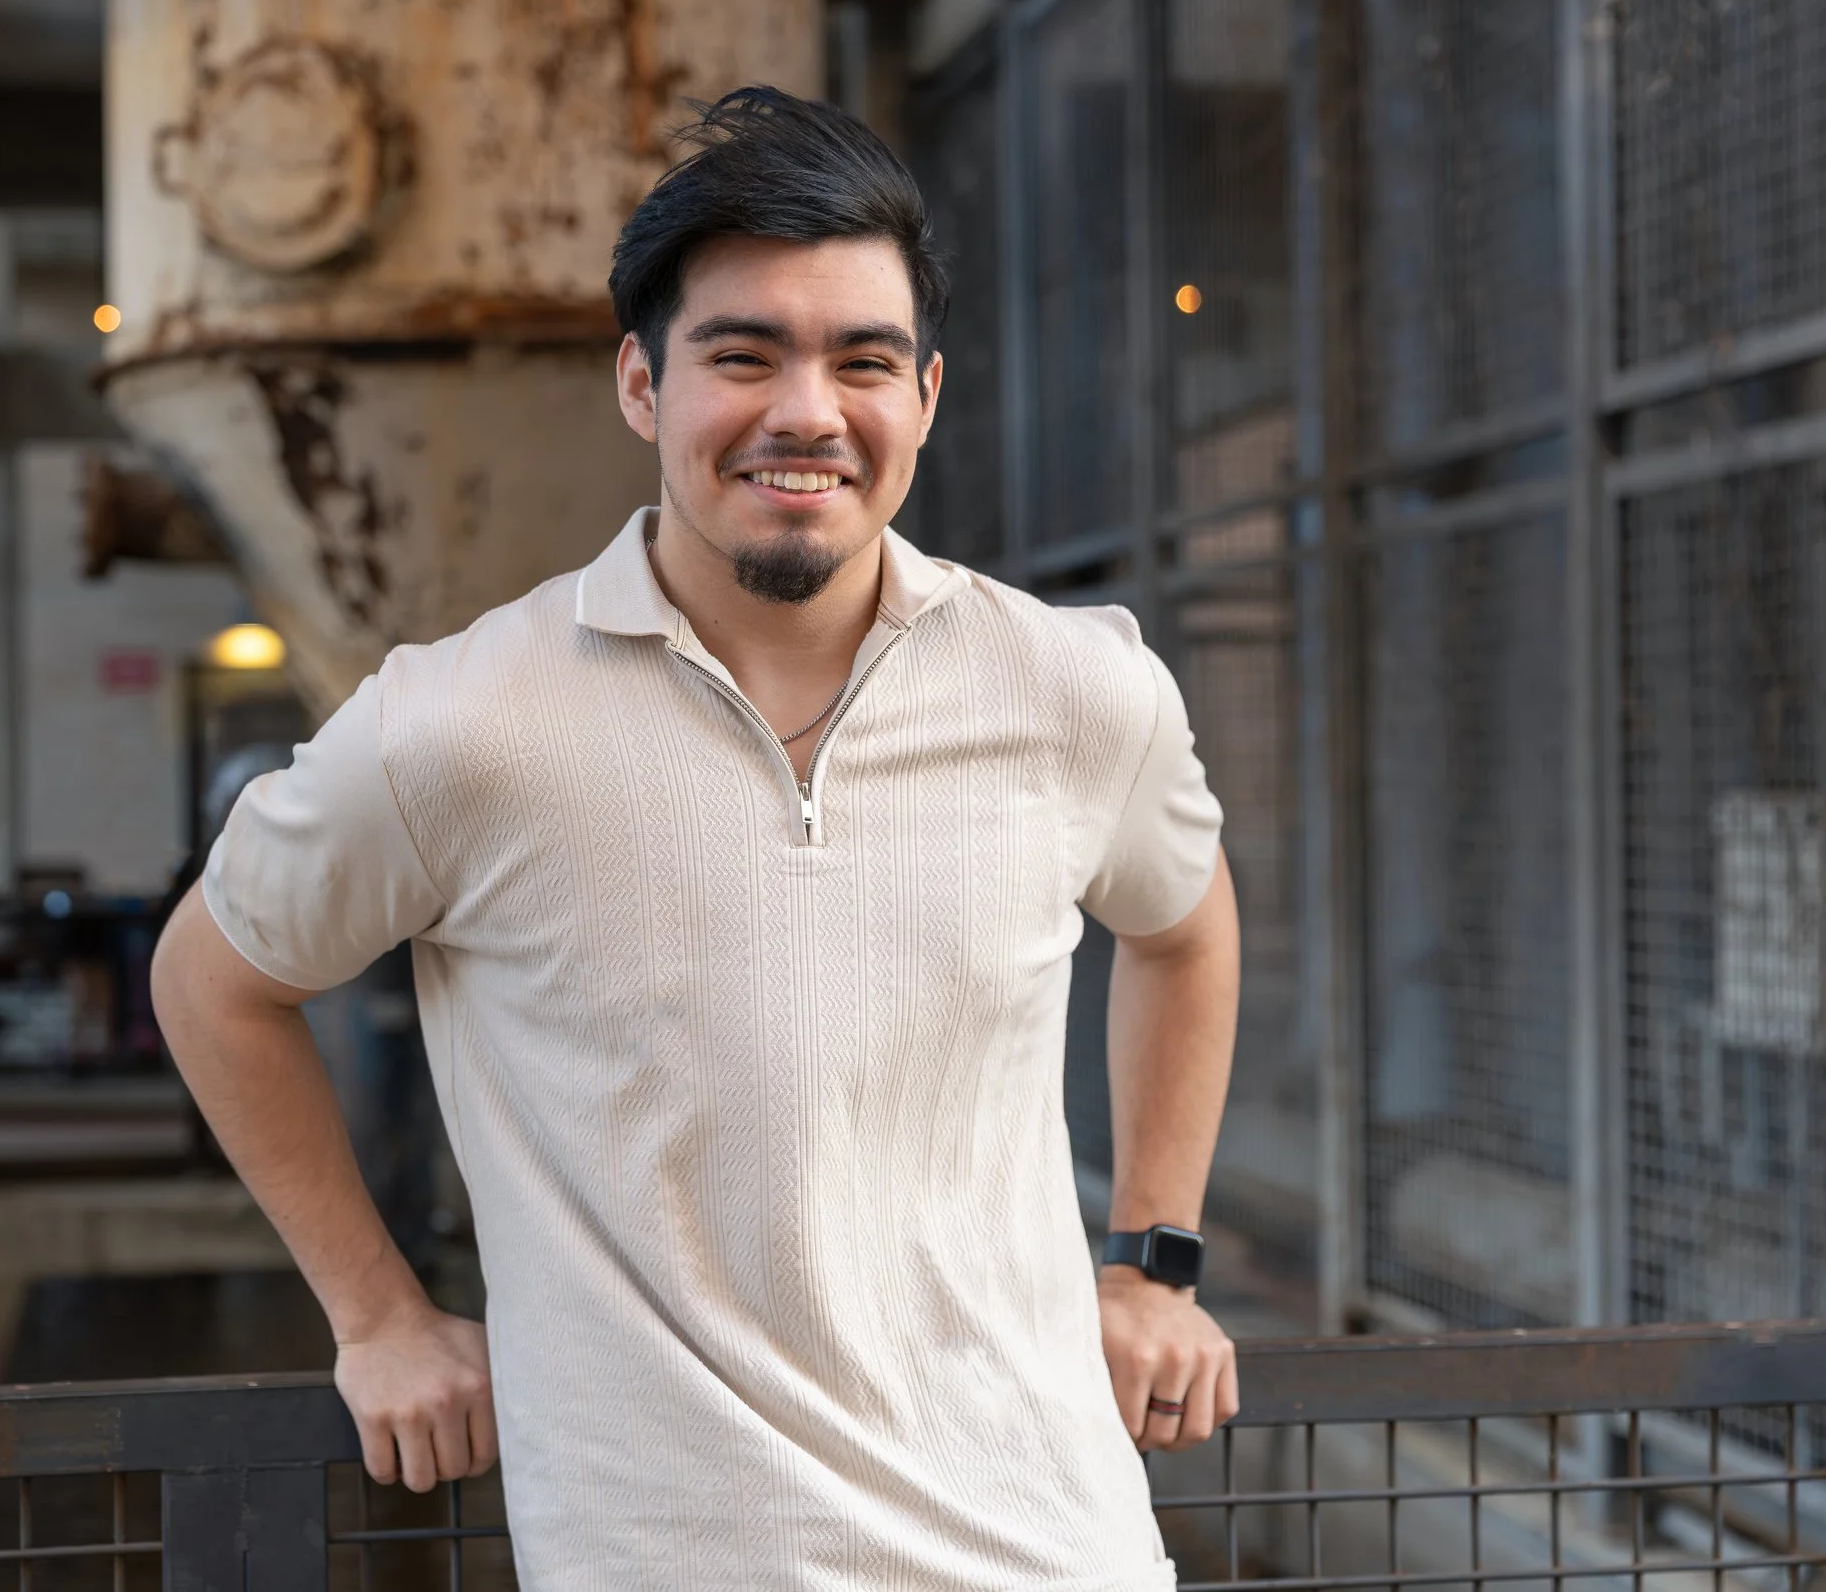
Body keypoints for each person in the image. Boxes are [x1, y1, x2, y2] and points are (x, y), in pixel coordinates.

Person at [151, 85, 1242, 1591]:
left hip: (1052, 1548)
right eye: (743, 353)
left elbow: (1185, 928)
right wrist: (378, 1313)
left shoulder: (1075, 691)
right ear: (641, 386)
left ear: (925, 396)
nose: (807, 411)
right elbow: (214, 977)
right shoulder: (460, 726)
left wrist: (1151, 1255)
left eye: (863, 359)